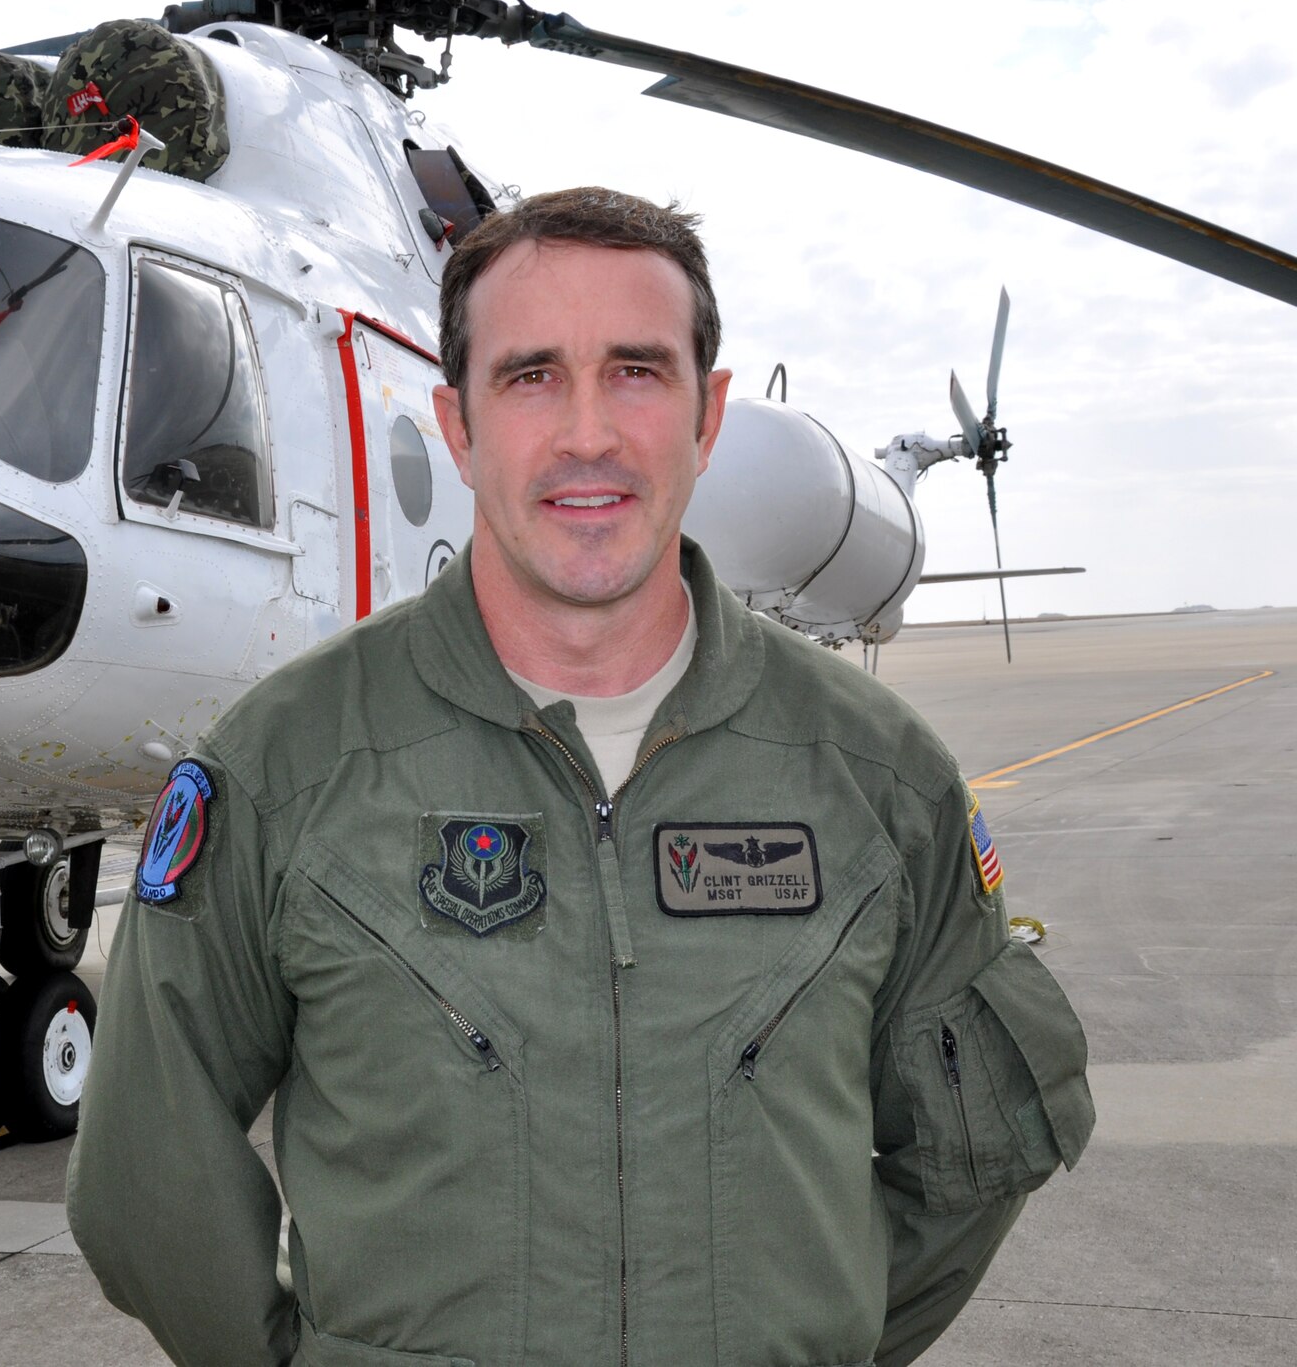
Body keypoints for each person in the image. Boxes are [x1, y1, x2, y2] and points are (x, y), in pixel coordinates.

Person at [66, 187, 1093, 1367]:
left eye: (637, 373)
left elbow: (979, 1146)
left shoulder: (875, 777)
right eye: (530, 376)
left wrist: (814, 1337)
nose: (587, 433)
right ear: (456, 425)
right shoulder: (282, 770)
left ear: (707, 419)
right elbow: (145, 1182)